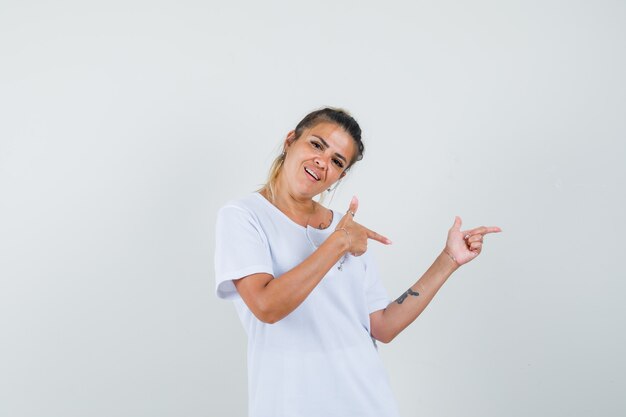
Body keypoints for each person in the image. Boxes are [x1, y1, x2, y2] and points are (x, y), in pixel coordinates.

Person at [214, 107, 501, 417]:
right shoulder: (244, 216)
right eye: (316, 144)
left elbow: (383, 326)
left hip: (368, 403)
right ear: (290, 141)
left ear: (340, 175)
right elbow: (266, 306)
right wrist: (337, 244)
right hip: (289, 405)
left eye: (337, 161)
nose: (322, 162)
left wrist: (448, 260)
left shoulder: (347, 228)